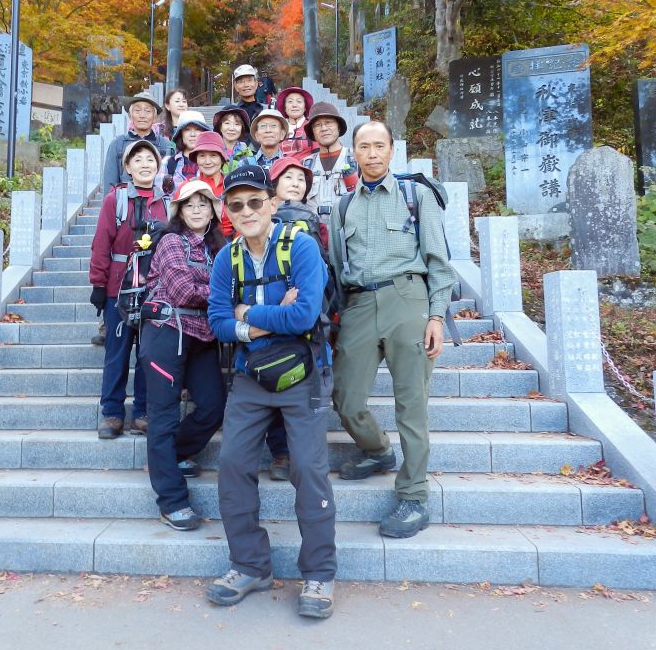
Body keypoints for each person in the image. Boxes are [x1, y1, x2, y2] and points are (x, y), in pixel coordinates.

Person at [206, 165, 337, 620]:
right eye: (236, 204)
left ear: (273, 203)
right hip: (250, 377)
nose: (247, 211)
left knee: (307, 467)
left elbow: (303, 316)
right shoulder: (227, 258)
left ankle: (319, 573)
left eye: (255, 201)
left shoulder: (300, 245)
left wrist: (248, 316)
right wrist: (263, 318)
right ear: (228, 211)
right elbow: (217, 322)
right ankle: (249, 565)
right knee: (233, 464)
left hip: (304, 373)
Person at [328, 121, 455, 539]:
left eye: (379, 145)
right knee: (346, 399)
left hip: (408, 299)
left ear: (391, 150)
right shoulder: (343, 206)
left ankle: (414, 495)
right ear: (354, 153)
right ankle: (378, 451)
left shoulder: (416, 195)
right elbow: (336, 267)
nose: (372, 153)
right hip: (360, 304)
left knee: (411, 404)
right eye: (364, 146)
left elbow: (438, 260)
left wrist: (436, 316)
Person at [138, 179, 228, 532]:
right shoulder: (171, 242)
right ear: (178, 210)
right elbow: (182, 290)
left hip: (202, 336)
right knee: (162, 415)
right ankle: (171, 500)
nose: (196, 210)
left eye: (203, 204)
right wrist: (221, 289)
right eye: (189, 204)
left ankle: (169, 457)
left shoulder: (217, 246)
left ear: (212, 210)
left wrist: (214, 286)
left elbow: (222, 284)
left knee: (213, 406)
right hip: (165, 333)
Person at [90, 139, 170, 439]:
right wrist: (98, 283)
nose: (145, 164)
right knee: (117, 351)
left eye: (150, 159)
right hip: (119, 287)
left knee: (149, 353)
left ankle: (143, 411)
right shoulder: (116, 199)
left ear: (158, 164)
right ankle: (111, 413)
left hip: (156, 288)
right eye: (137, 160)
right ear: (127, 167)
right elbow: (101, 243)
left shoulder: (167, 202)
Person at [102, 90, 174, 193]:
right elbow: (110, 184)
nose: (142, 115)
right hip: (126, 204)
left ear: (154, 117)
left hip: (156, 204)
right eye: (137, 110)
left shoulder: (165, 146)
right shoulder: (117, 144)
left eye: (148, 111)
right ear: (130, 116)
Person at [302, 102, 358, 225]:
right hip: (314, 233)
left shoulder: (357, 158)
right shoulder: (305, 165)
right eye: (317, 125)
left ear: (338, 127)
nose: (323, 128)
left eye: (328, 123)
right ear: (312, 132)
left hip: (348, 230)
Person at [188, 130, 234, 238]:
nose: (207, 161)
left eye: (213, 155)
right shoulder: (188, 187)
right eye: (202, 156)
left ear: (222, 159)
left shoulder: (233, 185)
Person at [161, 110, 211, 193]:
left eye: (197, 129)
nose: (193, 134)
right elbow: (161, 197)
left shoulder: (212, 163)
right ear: (181, 134)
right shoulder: (167, 163)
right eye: (187, 130)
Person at [212, 105, 256, 171]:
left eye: (237, 124)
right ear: (220, 127)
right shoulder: (212, 150)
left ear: (242, 128)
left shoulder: (247, 152)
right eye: (227, 123)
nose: (232, 128)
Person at [277, 86, 315, 158]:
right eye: (290, 101)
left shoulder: (312, 126)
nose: (294, 105)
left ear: (305, 107)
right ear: (284, 108)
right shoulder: (277, 128)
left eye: (299, 101)